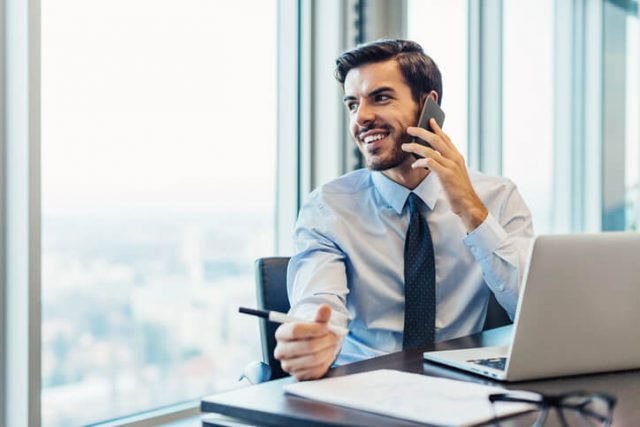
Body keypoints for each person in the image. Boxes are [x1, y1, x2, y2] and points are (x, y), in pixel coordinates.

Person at [274, 39, 533, 381]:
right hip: (362, 384)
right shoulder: (329, 206)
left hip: (461, 386)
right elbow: (319, 302)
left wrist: (471, 209)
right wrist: (314, 339)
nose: (362, 117)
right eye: (353, 104)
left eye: (380, 97)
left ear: (429, 105)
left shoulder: (498, 196)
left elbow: (532, 312)